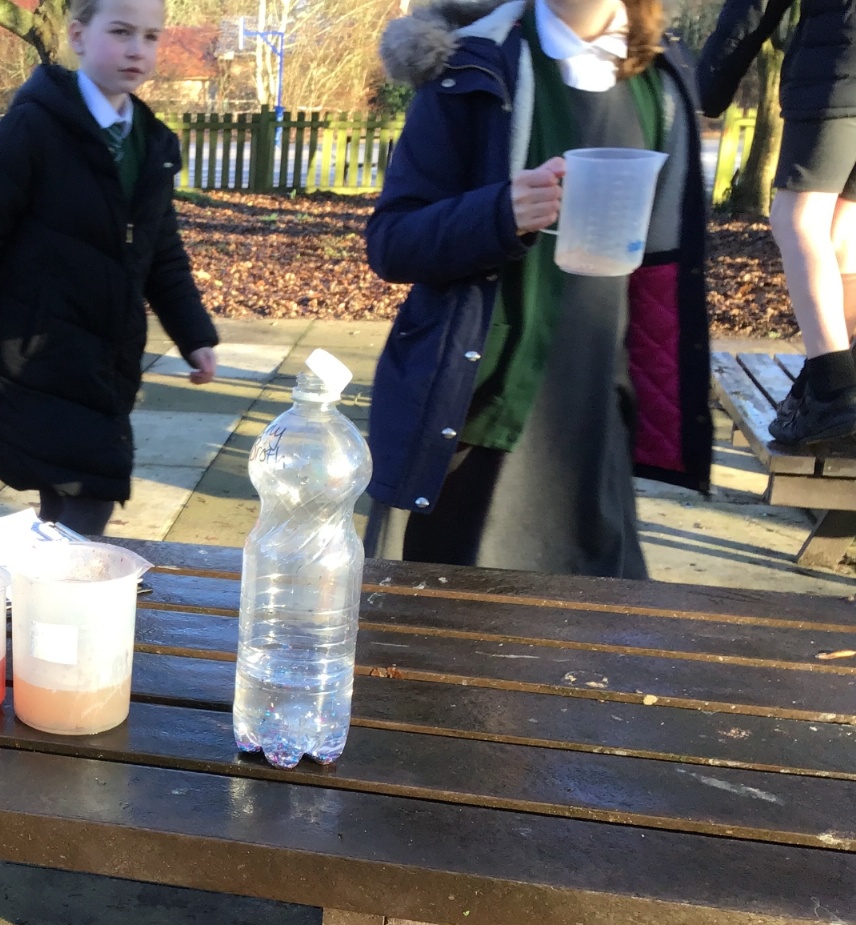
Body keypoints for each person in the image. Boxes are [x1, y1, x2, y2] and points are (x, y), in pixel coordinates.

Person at [361, 0, 713, 577]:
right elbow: (392, 242)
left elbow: (663, 267)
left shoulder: (665, 76)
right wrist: (500, 213)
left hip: (595, 426)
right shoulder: (471, 66)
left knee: (588, 623)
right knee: (448, 619)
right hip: (476, 420)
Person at [0, 0, 219, 536]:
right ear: (77, 36)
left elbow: (162, 254)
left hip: (109, 355)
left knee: (68, 494)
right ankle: (68, 584)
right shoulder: (33, 128)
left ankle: (44, 581)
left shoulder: (150, 143)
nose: (136, 49)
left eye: (150, 36)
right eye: (120, 32)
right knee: (90, 491)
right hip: (34, 351)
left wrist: (194, 335)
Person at [698, 0, 856, 450]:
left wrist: (706, 86)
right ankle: (842, 380)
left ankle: (833, 392)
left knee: (797, 219)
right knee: (842, 230)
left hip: (837, 69)